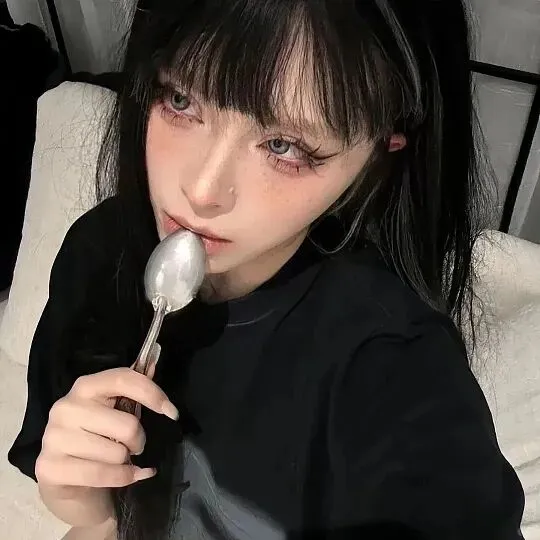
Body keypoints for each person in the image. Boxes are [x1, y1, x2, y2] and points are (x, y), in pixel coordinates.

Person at [8, 1, 525, 539]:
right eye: (180, 100)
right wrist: (88, 506)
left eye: (284, 146)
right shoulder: (101, 252)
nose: (202, 190)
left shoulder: (394, 369)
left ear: (382, 148)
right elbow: (100, 518)